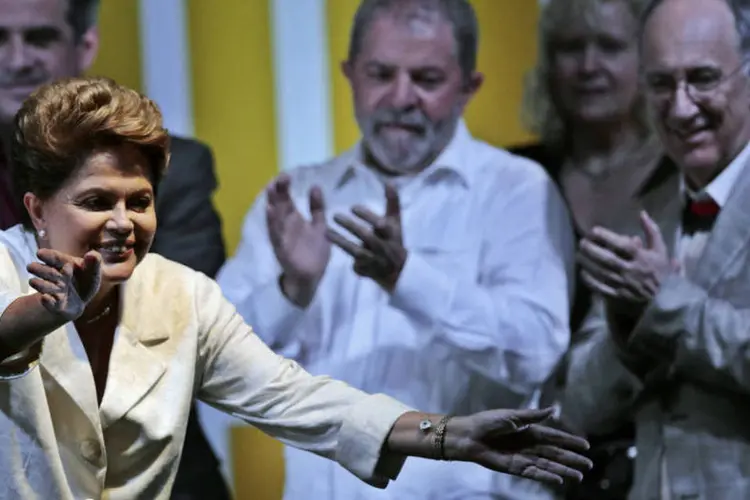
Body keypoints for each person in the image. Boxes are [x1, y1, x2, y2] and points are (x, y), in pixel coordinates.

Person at [0, 75, 592, 499]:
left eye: (141, 201)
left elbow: (295, 398)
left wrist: (451, 434)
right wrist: (41, 317)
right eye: (97, 202)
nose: (125, 222)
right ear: (37, 208)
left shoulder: (182, 295)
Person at [217, 0, 576, 498]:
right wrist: (292, 289)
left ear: (469, 87)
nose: (401, 97)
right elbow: (214, 364)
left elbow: (537, 352)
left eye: (426, 78)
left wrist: (406, 277)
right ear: (350, 75)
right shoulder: (297, 198)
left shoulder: (516, 191)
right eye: (381, 74)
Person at [0, 1, 229, 496]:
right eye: (0, 39)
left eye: (38, 38)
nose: (16, 59)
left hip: (158, 471)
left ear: (84, 45)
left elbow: (170, 318)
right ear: (35, 208)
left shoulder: (176, 167)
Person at [570, 0, 750, 498]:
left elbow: (668, 306)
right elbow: (581, 408)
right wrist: (624, 329)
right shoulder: (640, 214)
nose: (680, 106)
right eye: (661, 83)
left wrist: (665, 304)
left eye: (703, 78)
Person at [509, 0, 673, 498]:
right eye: (570, 48)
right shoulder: (516, 178)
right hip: (528, 466)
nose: (588, 66)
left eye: (609, 46)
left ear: (646, 59)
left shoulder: (686, 172)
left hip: (656, 461)